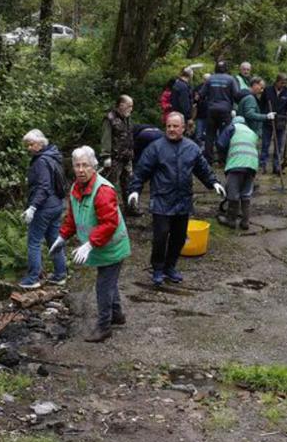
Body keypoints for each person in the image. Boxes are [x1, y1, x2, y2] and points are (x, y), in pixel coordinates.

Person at [127, 112, 225, 285]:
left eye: (175, 126)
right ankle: (157, 268)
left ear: (183, 128)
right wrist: (134, 190)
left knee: (179, 237)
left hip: (183, 200)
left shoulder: (192, 147)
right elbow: (142, 171)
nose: (171, 129)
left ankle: (170, 267)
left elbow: (202, 168)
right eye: (168, 126)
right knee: (161, 236)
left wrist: (213, 183)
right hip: (161, 200)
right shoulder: (155, 147)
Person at [49, 146, 130, 343]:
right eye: (77, 165)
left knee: (103, 286)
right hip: (99, 247)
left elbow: (109, 223)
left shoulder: (102, 191)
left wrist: (89, 244)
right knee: (109, 283)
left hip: (112, 247)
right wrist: (62, 237)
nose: (81, 169)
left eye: (85, 165)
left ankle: (104, 327)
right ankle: (117, 315)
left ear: (94, 166)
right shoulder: (76, 188)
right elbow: (72, 218)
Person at [19, 129, 68, 289]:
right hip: (56, 205)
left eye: (31, 144)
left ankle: (33, 278)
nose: (29, 148)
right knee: (54, 240)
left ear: (40, 143)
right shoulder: (52, 156)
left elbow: (44, 186)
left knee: (34, 242)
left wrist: (32, 207)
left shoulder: (40, 161)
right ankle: (60, 275)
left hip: (44, 207)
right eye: (27, 145)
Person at [216, 116, 258, 230]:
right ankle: (245, 222)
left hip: (237, 164)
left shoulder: (232, 127)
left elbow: (220, 143)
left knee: (233, 194)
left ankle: (231, 220)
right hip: (252, 164)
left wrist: (224, 157)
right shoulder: (251, 132)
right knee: (246, 193)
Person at [196, 62, 239, 164]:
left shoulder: (210, 79)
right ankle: (222, 159)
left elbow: (201, 94)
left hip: (211, 110)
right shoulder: (231, 79)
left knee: (210, 135)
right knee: (224, 134)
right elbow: (236, 95)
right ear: (226, 68)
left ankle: (208, 159)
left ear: (216, 68)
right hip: (225, 110)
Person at [100, 95, 135, 206]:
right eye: (129, 106)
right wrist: (106, 156)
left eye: (132, 106)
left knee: (129, 184)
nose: (131, 109)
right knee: (111, 185)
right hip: (115, 159)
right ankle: (109, 209)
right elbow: (106, 137)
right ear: (121, 105)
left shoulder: (127, 117)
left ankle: (131, 207)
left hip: (127, 156)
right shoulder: (109, 118)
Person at [236, 77, 274, 167]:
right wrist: (266, 116)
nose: (262, 90)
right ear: (254, 85)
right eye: (261, 87)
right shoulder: (250, 98)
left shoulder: (246, 95)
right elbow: (250, 114)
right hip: (249, 129)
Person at [261, 73, 287, 175]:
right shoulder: (268, 90)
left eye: (285, 83)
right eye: (282, 83)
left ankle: (276, 166)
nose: (283, 85)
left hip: (281, 121)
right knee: (265, 144)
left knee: (278, 144)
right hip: (268, 120)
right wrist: (265, 114)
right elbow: (262, 104)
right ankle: (263, 166)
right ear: (276, 81)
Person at [171, 67, 194, 133]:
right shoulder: (183, 87)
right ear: (190, 75)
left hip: (175, 113)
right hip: (181, 116)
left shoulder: (177, 84)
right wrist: (189, 117)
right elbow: (184, 103)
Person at [194, 72, 211, 153]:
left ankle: (207, 152)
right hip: (200, 115)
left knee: (209, 135)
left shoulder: (213, 88)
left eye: (208, 79)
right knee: (198, 135)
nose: (207, 81)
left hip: (210, 115)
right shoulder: (198, 88)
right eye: (205, 79)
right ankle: (198, 152)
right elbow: (194, 100)